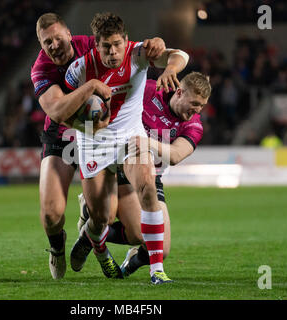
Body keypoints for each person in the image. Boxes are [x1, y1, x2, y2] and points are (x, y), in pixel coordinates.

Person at [30, 12, 166, 280]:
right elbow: (57, 111)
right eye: (47, 42)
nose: (54, 45)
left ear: (69, 34)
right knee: (51, 214)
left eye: (58, 38)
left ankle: (90, 229)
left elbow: (127, 51)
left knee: (135, 230)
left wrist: (158, 46)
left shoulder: (94, 45)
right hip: (63, 136)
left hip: (104, 135)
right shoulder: (41, 69)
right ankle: (57, 249)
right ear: (41, 45)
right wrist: (91, 86)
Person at [65, 12, 189, 284]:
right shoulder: (79, 70)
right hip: (94, 144)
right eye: (106, 46)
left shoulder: (139, 54)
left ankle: (157, 271)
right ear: (96, 45)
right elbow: (62, 113)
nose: (112, 51)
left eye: (117, 44)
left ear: (126, 41)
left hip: (130, 140)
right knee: (102, 217)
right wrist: (84, 121)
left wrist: (170, 68)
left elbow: (180, 54)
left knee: (147, 187)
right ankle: (96, 244)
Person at [76, 71, 211, 278]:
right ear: (179, 92)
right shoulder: (148, 90)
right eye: (194, 103)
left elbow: (175, 155)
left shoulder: (194, 125)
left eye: (201, 105)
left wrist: (147, 142)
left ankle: (118, 254)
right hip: (121, 164)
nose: (197, 110)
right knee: (109, 217)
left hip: (151, 175)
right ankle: (93, 222)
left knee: (158, 247)